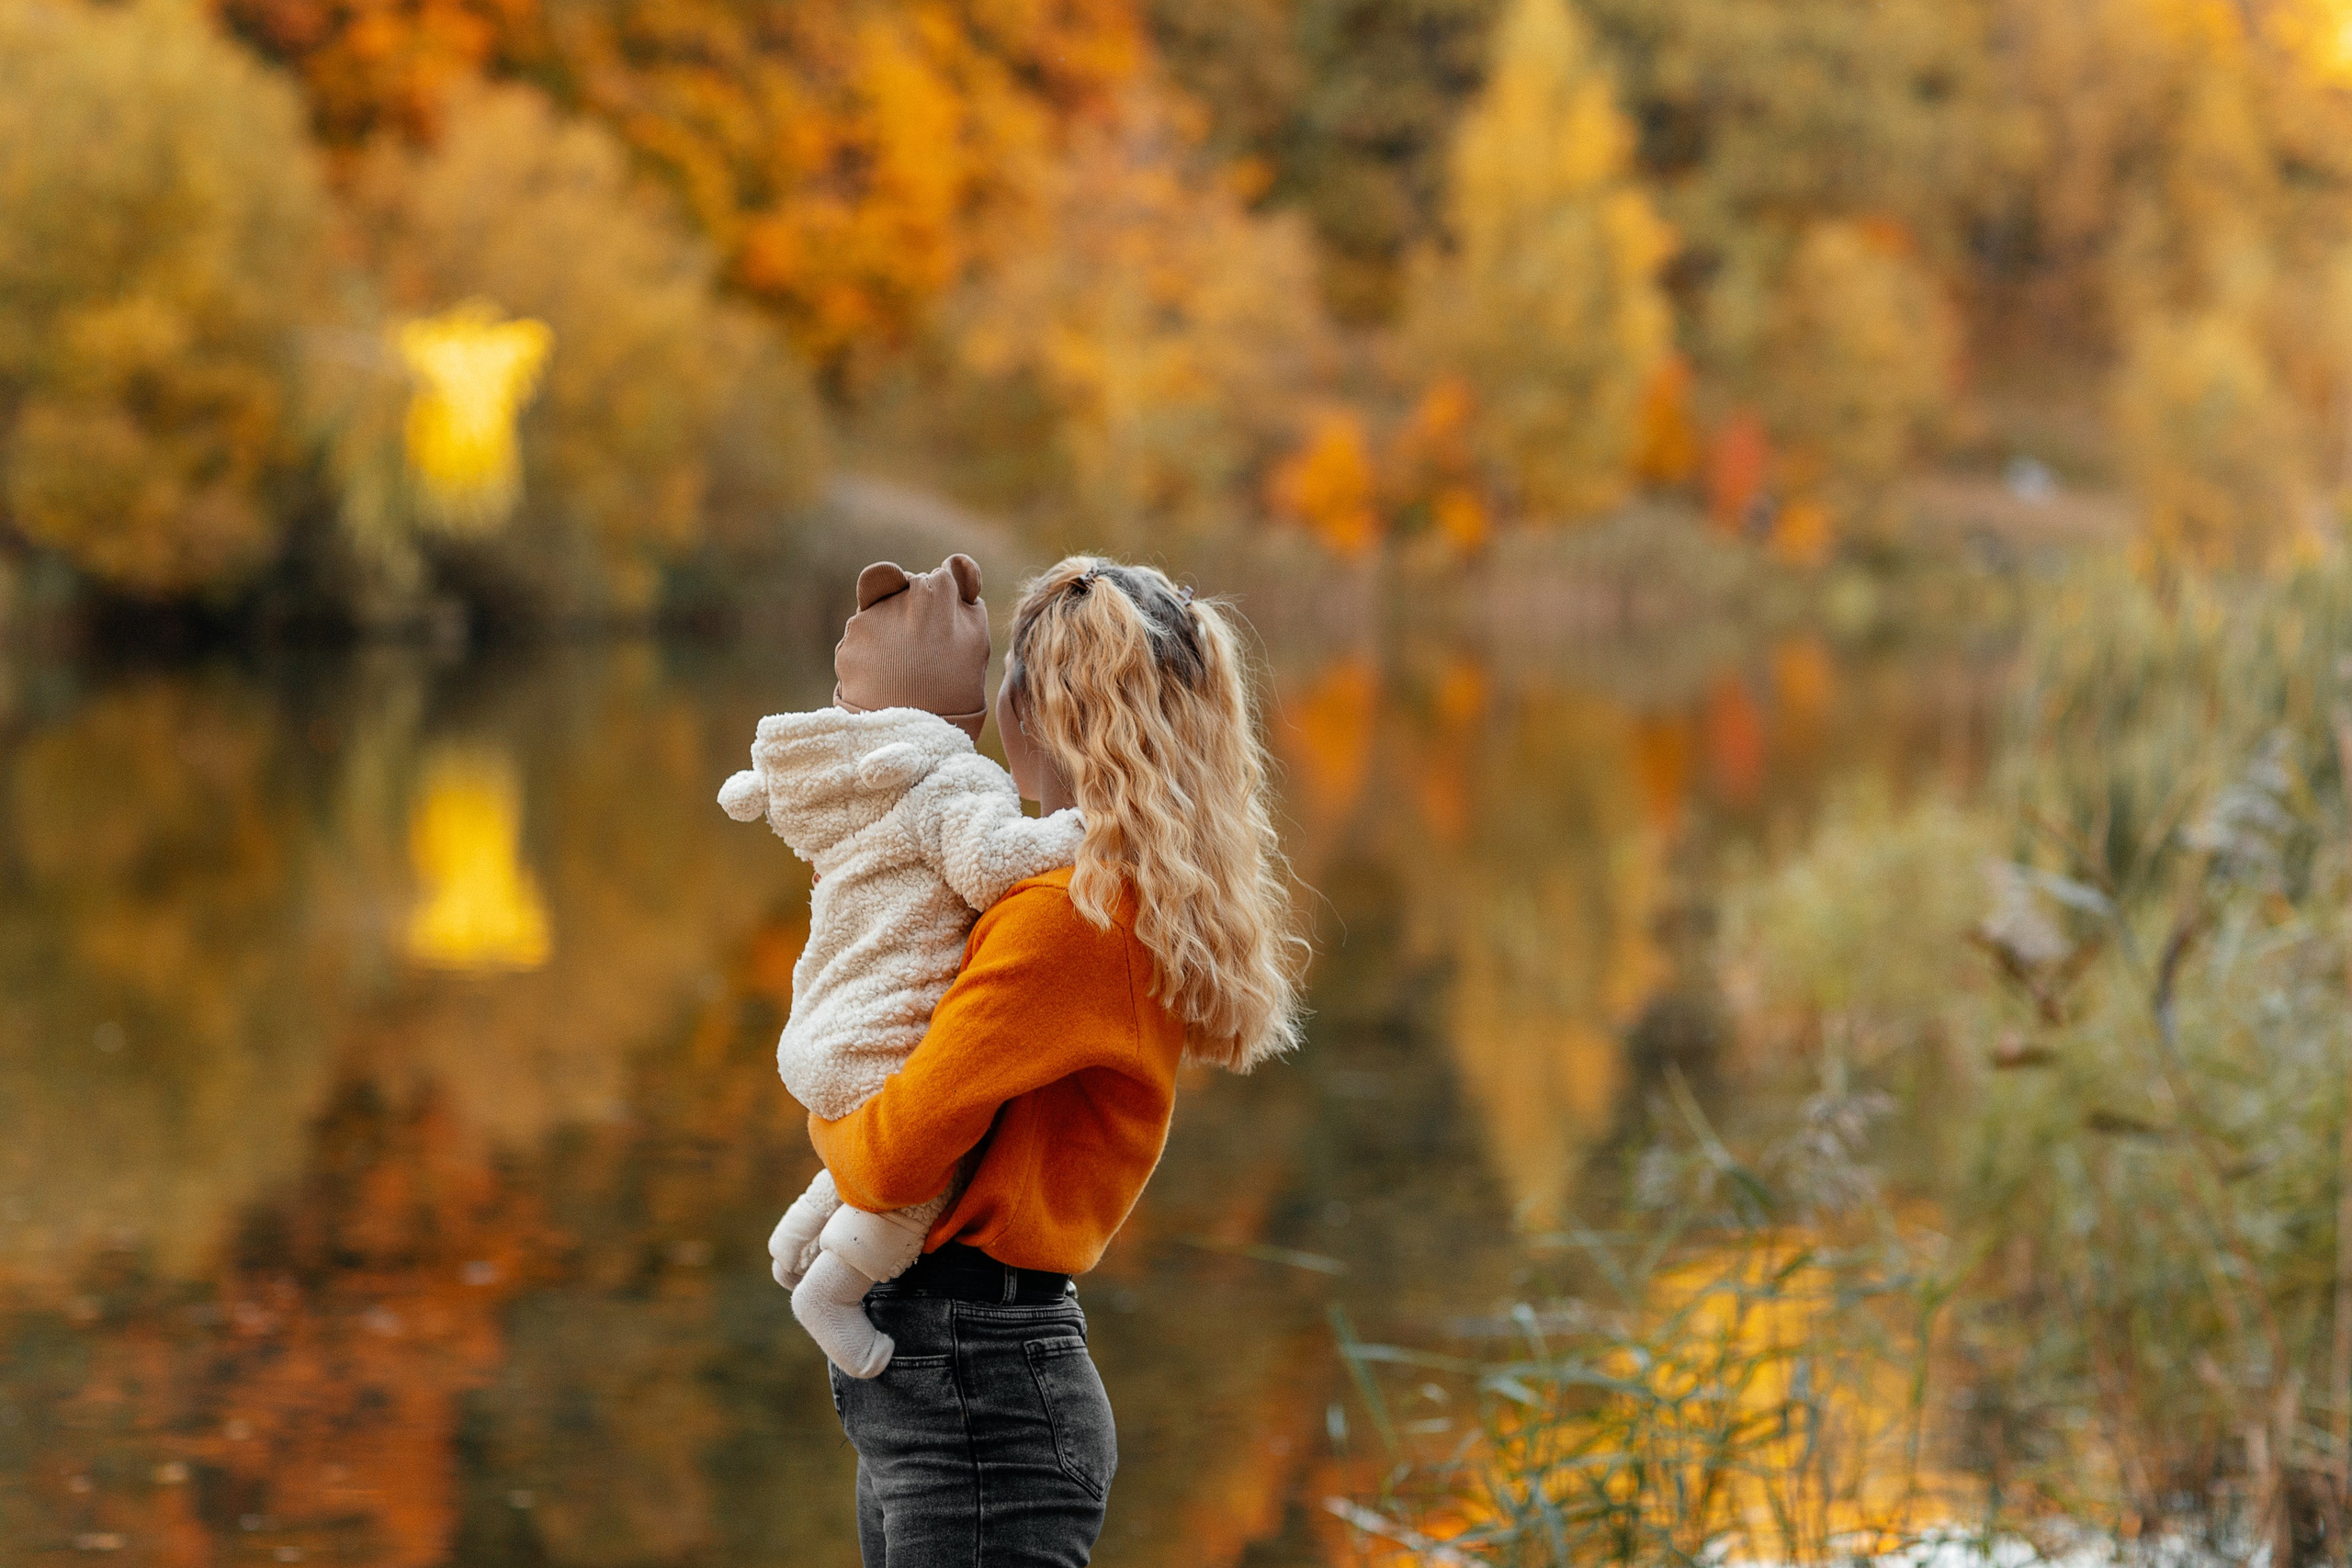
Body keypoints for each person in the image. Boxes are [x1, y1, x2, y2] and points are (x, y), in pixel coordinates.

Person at [794, 557, 1306, 1566]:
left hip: (974, 1391)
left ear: (1036, 711)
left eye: (1005, 685)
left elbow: (891, 1156)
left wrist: (817, 1088)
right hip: (964, 1373)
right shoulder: (1109, 899)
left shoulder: (1069, 920)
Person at [723, 554, 1083, 1379]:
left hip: (822, 1020)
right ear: (965, 705)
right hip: (879, 1026)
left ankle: (800, 1230)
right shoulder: (947, 779)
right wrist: (1077, 835)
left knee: (877, 1137)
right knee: (928, 1168)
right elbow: (992, 862)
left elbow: (770, 793)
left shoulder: (842, 770)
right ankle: (831, 1293)